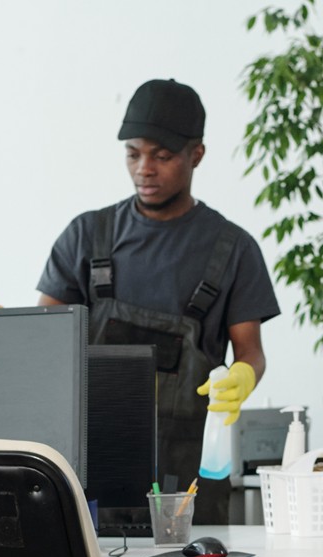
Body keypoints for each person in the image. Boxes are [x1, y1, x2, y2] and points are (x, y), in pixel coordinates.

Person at [39, 78, 281, 526]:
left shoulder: (232, 249)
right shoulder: (86, 237)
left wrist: (244, 376)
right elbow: (43, 341)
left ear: (197, 154)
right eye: (133, 153)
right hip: (88, 480)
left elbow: (251, 351)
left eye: (162, 156)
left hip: (189, 481)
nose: (144, 169)